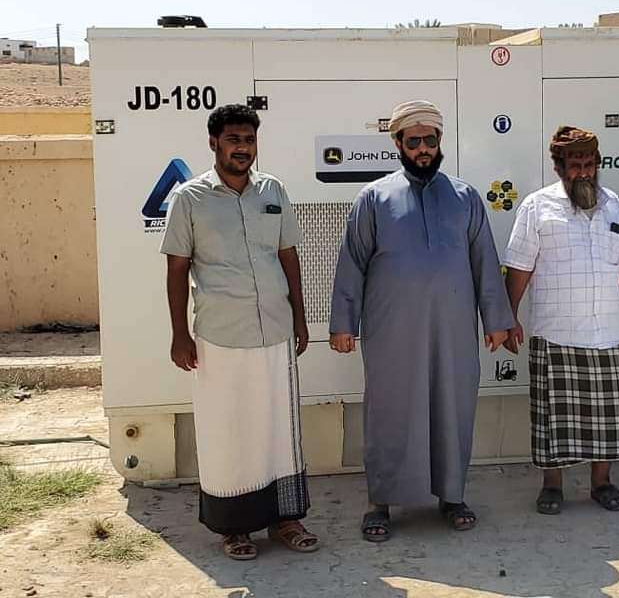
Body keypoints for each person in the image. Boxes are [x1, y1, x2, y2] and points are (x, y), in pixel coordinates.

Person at [328, 99, 513, 542]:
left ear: (440, 140)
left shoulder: (465, 197)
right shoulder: (374, 198)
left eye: (430, 140)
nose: (423, 149)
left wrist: (496, 320)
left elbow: (484, 261)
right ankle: (380, 501)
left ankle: (452, 496)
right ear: (398, 143)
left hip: (453, 328)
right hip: (392, 328)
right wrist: (343, 323)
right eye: (414, 142)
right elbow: (352, 262)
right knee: (390, 409)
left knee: (453, 406)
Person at [161, 104, 317, 560]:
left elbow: (288, 256)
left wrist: (300, 318)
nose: (242, 148)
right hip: (220, 336)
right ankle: (234, 528)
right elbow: (177, 269)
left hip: (275, 330)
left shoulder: (273, 190)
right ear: (214, 143)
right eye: (233, 140)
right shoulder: (190, 198)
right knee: (228, 430)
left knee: (279, 429)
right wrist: (179, 334)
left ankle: (286, 519)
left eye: (248, 140)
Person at [503, 126, 619, 515]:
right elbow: (519, 266)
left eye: (589, 164)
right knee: (553, 419)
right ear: (559, 167)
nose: (583, 172)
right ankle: (552, 486)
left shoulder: (613, 205)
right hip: (556, 332)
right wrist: (509, 316)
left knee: (607, 417)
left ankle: (602, 483)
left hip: (607, 330)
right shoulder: (537, 206)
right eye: (575, 165)